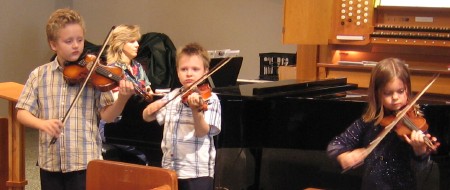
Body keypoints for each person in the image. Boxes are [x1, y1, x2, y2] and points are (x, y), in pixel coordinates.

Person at [15, 8, 135, 190]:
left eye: (80, 40)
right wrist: (42, 124)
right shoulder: (39, 75)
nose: (76, 45)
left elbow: (107, 116)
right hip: (51, 162)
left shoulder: (94, 72)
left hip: (84, 162)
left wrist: (122, 100)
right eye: (68, 41)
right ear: (53, 45)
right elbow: (22, 113)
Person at [327, 58, 440, 190]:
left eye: (400, 91)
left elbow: (420, 170)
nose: (395, 97)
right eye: (388, 93)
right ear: (377, 93)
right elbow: (335, 145)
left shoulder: (415, 124)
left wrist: (419, 151)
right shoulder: (369, 121)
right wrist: (344, 157)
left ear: (407, 89)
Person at [142, 42, 221, 190]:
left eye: (195, 69)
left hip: (197, 172)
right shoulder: (174, 96)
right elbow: (147, 117)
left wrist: (195, 111)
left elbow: (202, 132)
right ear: (177, 72)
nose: (189, 73)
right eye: (184, 69)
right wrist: (150, 108)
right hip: (170, 170)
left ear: (206, 72)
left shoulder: (210, 99)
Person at [99, 24, 153, 164]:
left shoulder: (137, 66)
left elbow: (147, 91)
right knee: (146, 154)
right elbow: (111, 105)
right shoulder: (110, 71)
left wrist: (149, 93)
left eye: (137, 41)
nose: (137, 45)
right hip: (115, 122)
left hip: (136, 120)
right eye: (132, 41)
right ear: (120, 44)